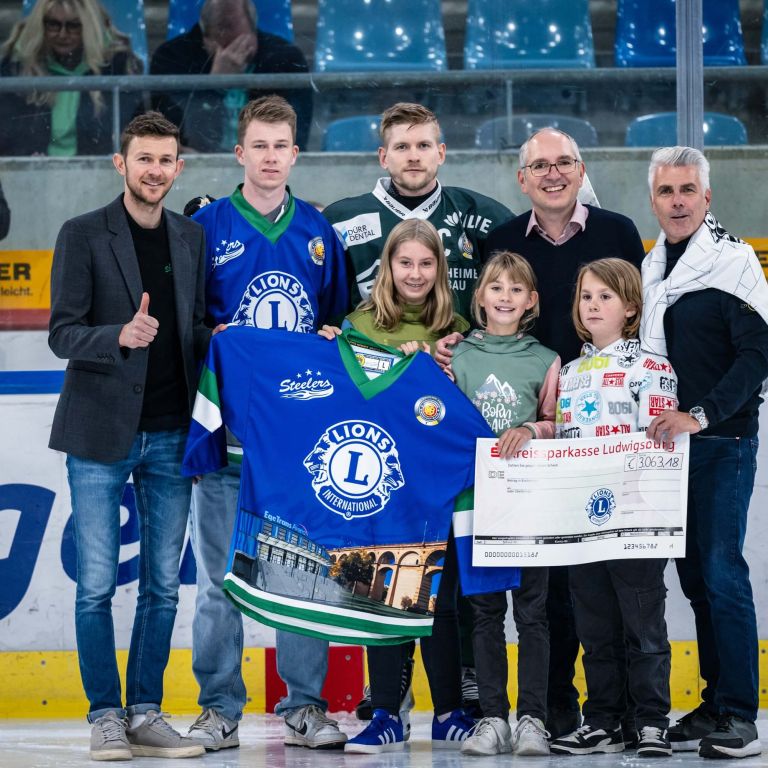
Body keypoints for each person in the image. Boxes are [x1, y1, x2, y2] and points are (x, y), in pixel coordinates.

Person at [443, 127, 647, 739]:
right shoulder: (503, 240)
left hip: (586, 428)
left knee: (578, 588)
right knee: (517, 600)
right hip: (511, 457)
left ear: (581, 169)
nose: (553, 174)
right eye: (540, 165)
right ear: (522, 177)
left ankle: (619, 712)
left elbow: (641, 319)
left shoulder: (618, 232)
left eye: (564, 163)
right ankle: (546, 710)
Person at [185, 95, 349, 752]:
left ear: (295, 155)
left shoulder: (317, 230)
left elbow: (343, 322)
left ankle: (304, 705)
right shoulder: (206, 227)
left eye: (282, 146)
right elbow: (188, 322)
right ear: (240, 153)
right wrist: (210, 335)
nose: (271, 157)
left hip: (298, 445)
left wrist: (338, 334)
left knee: (301, 580)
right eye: (260, 145)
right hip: (228, 439)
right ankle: (219, 706)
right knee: (219, 584)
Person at [47, 111, 208, 761]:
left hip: (172, 433)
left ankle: (144, 710)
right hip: (99, 432)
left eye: (165, 160)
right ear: (121, 163)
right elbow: (62, 332)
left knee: (164, 588)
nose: (154, 170)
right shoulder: (82, 234)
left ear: (179, 166)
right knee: (94, 586)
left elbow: (193, 328)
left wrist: (220, 343)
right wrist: (116, 336)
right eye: (143, 158)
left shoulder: (190, 238)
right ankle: (104, 715)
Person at [318, 218, 474, 754]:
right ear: (387, 267)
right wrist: (329, 350)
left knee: (444, 601)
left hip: (440, 487)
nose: (414, 273)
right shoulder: (359, 324)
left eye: (426, 264)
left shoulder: (458, 327)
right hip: (381, 486)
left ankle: (450, 710)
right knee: (382, 597)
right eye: (404, 263)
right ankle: (386, 712)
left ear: (440, 270)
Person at [642, 146, 768, 760]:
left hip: (723, 439)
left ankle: (742, 715)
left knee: (721, 572)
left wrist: (704, 413)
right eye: (667, 192)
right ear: (654, 201)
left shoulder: (735, 262)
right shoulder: (652, 268)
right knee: (694, 579)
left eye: (688, 190)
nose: (678, 201)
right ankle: (716, 704)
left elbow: (756, 356)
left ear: (708, 197)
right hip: (669, 452)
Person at [549, 259, 673, 758]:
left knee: (643, 625)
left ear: (631, 308)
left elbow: (658, 448)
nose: (593, 305)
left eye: (605, 296)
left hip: (636, 521)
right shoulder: (570, 373)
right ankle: (603, 719)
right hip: (582, 522)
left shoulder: (651, 368)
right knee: (594, 627)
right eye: (586, 297)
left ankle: (650, 721)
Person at [445, 251, 558, 757]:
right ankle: (492, 718)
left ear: (531, 301)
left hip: (529, 502)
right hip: (474, 506)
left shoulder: (546, 360)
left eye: (516, 289)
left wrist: (532, 428)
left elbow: (561, 423)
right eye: (496, 288)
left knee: (533, 614)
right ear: (480, 297)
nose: (506, 297)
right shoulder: (457, 356)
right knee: (485, 614)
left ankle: (533, 717)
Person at [323, 102, 513, 321]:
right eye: (401, 147)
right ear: (383, 157)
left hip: (458, 352)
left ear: (441, 153)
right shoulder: (340, 221)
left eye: (423, 145)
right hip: (372, 352)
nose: (413, 156)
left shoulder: (484, 215)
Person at [150, 0, 311, 152]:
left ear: (254, 31)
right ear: (204, 38)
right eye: (222, 42)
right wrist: (215, 85)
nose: (233, 54)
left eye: (240, 41)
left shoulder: (286, 59)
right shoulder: (171, 58)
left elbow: (296, 134)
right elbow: (174, 135)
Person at [0, 0, 142, 156]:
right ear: (41, 26)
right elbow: (8, 134)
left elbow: (127, 130)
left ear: (88, 27)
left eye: (73, 26)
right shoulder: (17, 67)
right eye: (53, 25)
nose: (62, 34)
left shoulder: (116, 65)